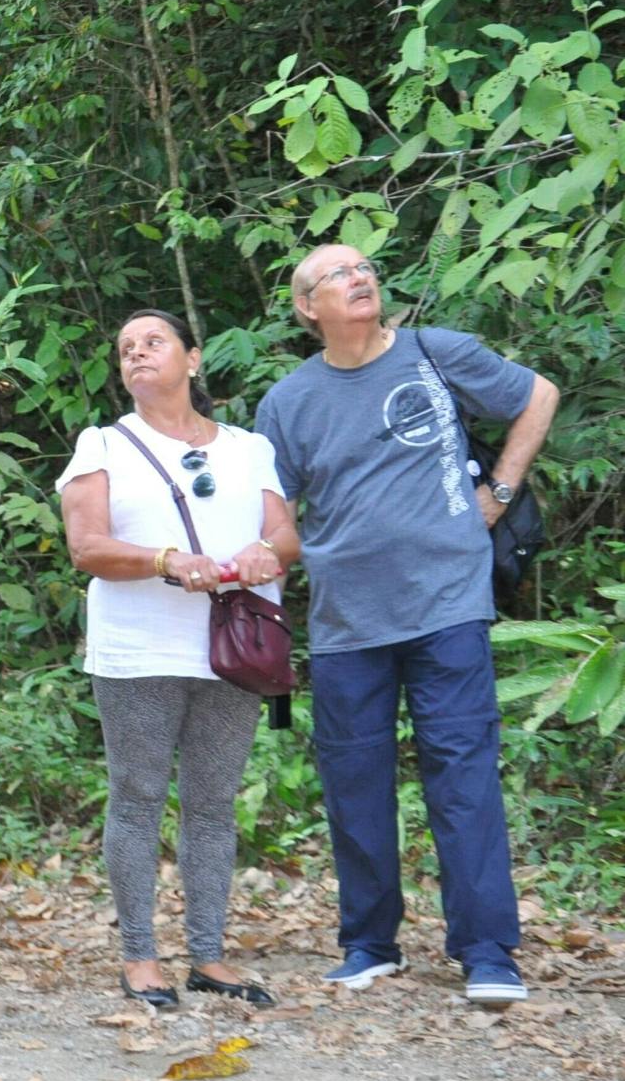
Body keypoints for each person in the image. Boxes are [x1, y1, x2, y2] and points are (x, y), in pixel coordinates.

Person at [256, 244, 559, 1008]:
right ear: (306, 309)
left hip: (447, 605)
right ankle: (368, 943)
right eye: (336, 275)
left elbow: (538, 395)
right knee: (354, 784)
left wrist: (498, 487)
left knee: (462, 776)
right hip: (344, 621)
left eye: (363, 269)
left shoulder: (435, 354)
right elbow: (276, 517)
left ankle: (487, 952)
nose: (358, 279)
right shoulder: (286, 403)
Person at [57, 309, 299, 1009]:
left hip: (234, 649)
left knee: (212, 804)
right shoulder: (102, 444)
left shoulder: (247, 447)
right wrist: (167, 560)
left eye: (152, 342)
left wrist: (265, 553)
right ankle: (139, 955)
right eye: (125, 348)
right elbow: (87, 547)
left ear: (192, 359)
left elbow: (285, 533)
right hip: (139, 652)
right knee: (136, 798)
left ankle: (209, 955)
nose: (136, 354)